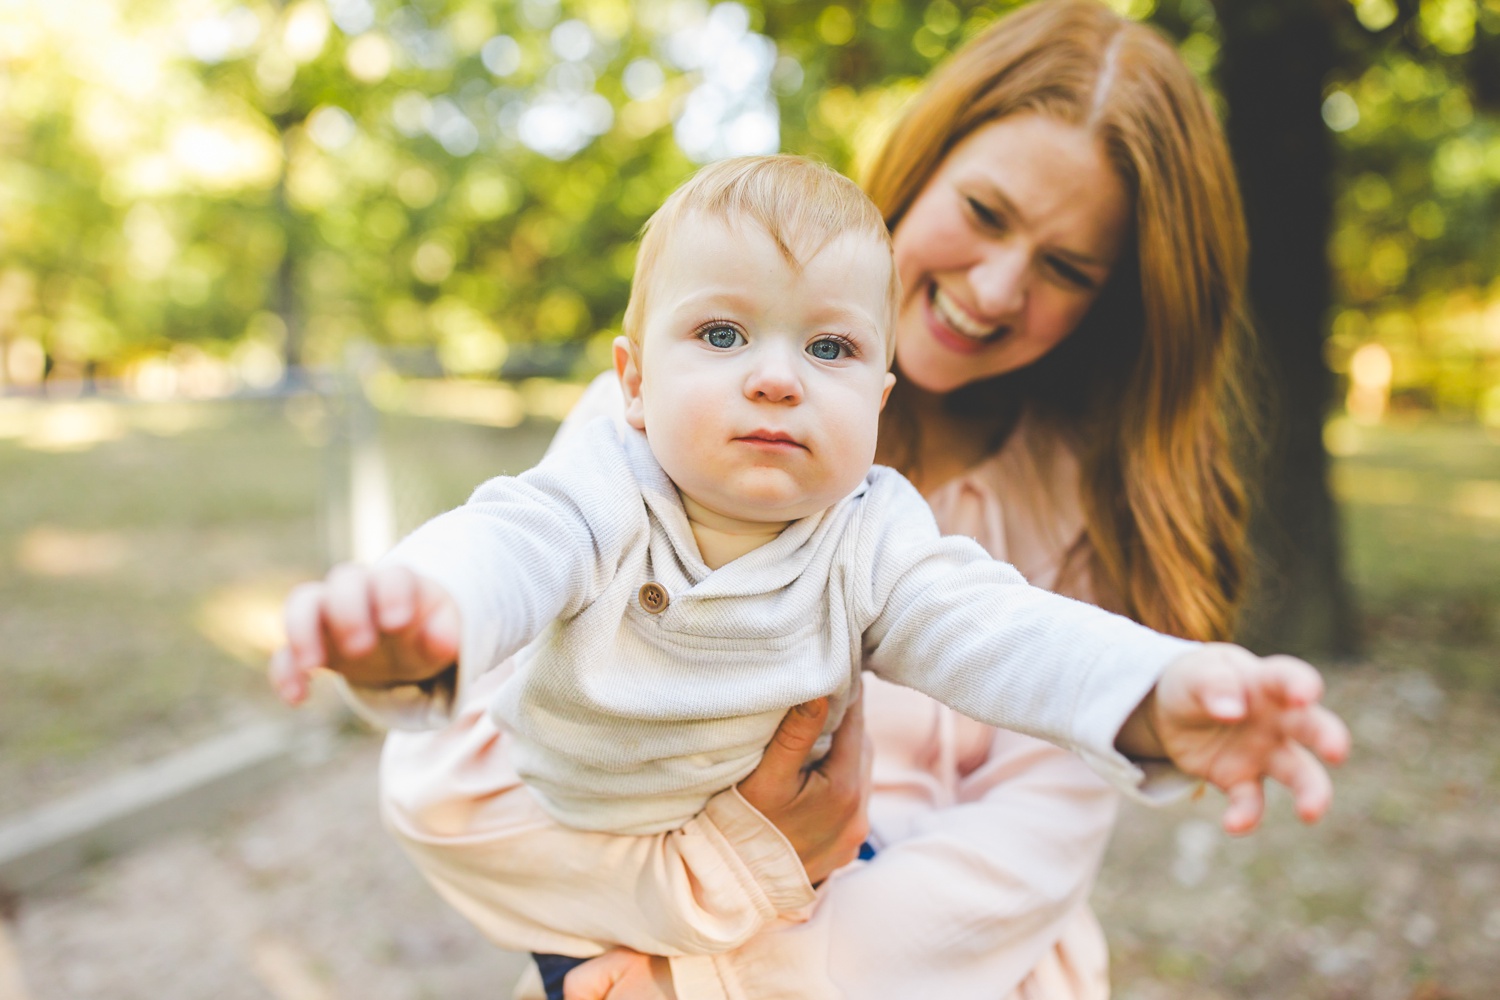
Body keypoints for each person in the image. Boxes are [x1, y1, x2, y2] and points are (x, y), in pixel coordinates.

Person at [272, 149, 1344, 1000]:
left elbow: (1005, 631)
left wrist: (1155, 687)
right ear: (635, 382)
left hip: (819, 895)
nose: (777, 377)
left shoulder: (871, 530)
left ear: (878, 399)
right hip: (597, 897)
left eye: (828, 350)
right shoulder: (610, 477)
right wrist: (428, 612)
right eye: (724, 334)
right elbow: (509, 541)